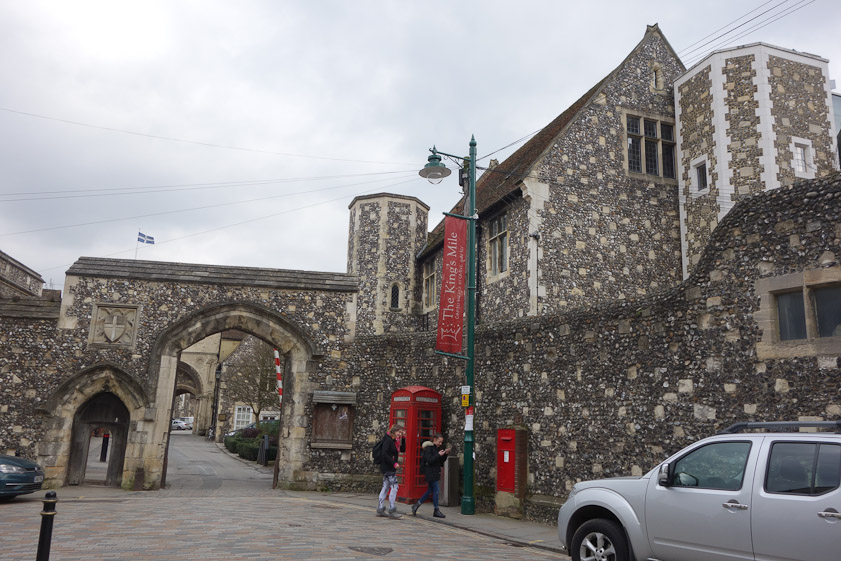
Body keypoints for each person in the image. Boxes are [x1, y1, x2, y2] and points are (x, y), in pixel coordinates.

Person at [411, 433, 450, 518]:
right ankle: (436, 510)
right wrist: (438, 455)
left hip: (435, 471)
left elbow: (440, 461)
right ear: (434, 439)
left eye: (441, 442)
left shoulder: (436, 448)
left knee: (430, 491)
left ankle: (416, 505)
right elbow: (430, 460)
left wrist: (445, 454)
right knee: (436, 489)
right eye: (439, 442)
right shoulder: (428, 448)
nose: (440, 444)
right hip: (430, 472)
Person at [376, 424, 406, 519]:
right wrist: (394, 463)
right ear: (394, 431)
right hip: (388, 467)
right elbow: (384, 454)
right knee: (395, 487)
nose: (400, 434)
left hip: (389, 467)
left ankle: (380, 509)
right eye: (399, 432)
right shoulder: (388, 440)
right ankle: (392, 510)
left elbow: (402, 449)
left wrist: (404, 438)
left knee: (385, 487)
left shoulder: (394, 441)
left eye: (401, 433)